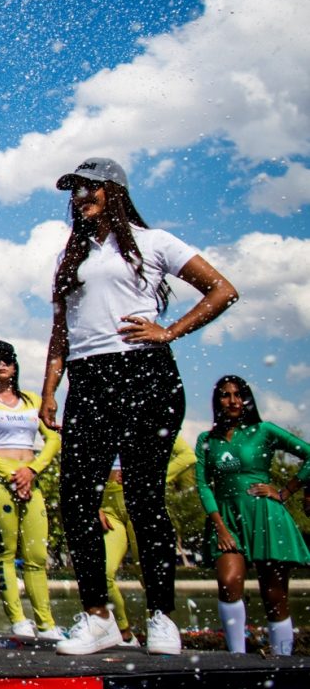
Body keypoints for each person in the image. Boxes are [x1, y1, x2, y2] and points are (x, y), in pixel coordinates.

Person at [40, 158, 238, 657]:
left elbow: (222, 290)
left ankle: (162, 617)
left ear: (115, 192)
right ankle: (97, 617)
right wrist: (49, 390)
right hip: (88, 379)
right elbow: (61, 332)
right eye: (74, 191)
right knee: (77, 500)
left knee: (144, 498)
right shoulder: (69, 256)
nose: (80, 198)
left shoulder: (154, 243)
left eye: (89, 188)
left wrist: (170, 331)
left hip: (144, 374)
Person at [195, 376, 310, 656]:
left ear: (246, 399)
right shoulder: (207, 440)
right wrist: (220, 527)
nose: (233, 401)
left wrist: (285, 492)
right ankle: (236, 658)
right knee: (229, 582)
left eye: (238, 395)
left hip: (266, 517)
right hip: (227, 520)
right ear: (217, 401)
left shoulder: (264, 430)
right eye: (225, 395)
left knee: (274, 596)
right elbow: (203, 485)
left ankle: (282, 660)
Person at [0, 340, 62, 640]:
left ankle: (46, 623)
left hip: (30, 480)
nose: (1, 365)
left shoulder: (33, 399)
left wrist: (31, 471)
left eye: (7, 360)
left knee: (36, 553)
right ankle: (18, 619)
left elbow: (53, 439)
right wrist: (11, 474)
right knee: (5, 551)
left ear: (15, 364)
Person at [97, 438, 196, 647]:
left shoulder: (145, 423)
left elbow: (187, 455)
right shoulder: (102, 424)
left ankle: (158, 628)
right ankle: (124, 633)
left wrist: (150, 477)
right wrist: (93, 504)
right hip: (108, 508)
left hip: (141, 501)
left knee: (148, 575)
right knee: (101, 573)